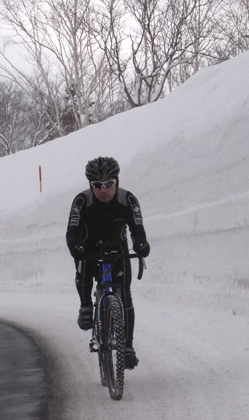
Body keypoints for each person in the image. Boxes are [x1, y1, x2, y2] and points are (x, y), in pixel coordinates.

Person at [66, 156, 150, 369]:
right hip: (90, 247)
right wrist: (77, 247)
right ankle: (86, 305)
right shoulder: (81, 201)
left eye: (109, 184)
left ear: (117, 181)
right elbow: (72, 233)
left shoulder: (127, 199)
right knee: (83, 264)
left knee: (125, 294)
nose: (104, 190)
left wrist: (140, 244)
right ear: (90, 185)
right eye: (98, 185)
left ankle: (128, 347)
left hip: (117, 248)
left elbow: (137, 229)